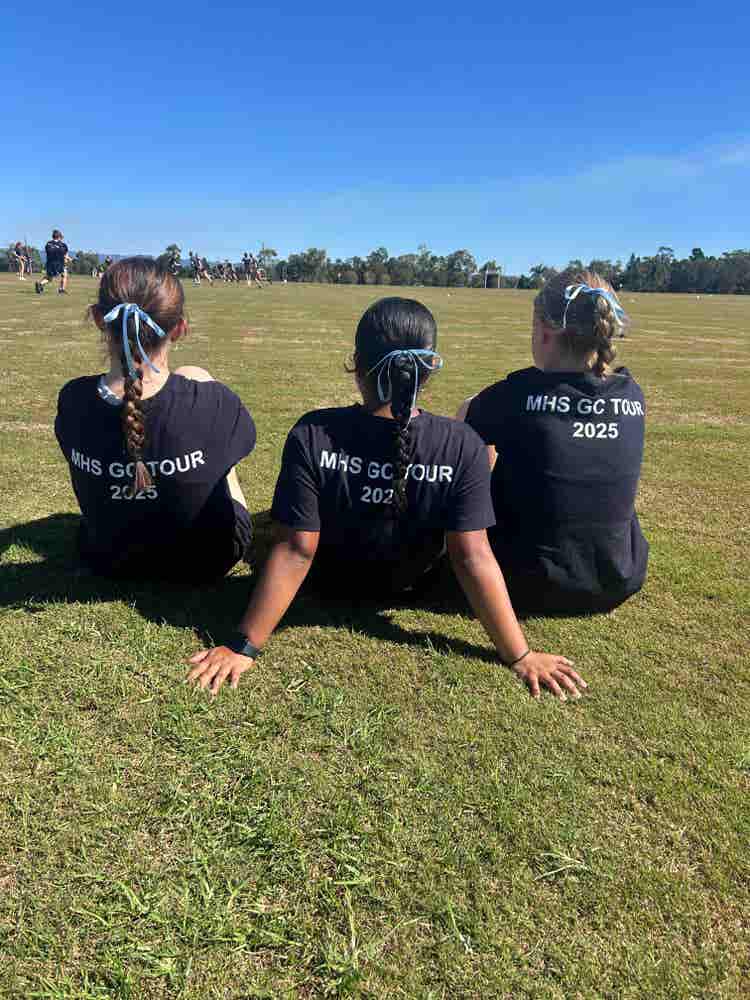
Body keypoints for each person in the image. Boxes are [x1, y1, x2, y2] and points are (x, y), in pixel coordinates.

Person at [186, 297, 585, 700]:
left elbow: (297, 550)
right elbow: (471, 555)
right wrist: (520, 654)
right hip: (411, 587)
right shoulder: (463, 445)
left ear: (356, 363)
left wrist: (244, 645)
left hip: (326, 582)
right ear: (429, 367)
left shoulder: (313, 433)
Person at [459, 269, 648, 616]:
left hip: (524, 582)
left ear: (545, 333)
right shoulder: (632, 393)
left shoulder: (516, 395)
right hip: (617, 579)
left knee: (473, 420)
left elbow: (465, 425)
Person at [55, 256, 256, 581]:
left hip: (108, 558)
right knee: (200, 386)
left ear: (98, 319)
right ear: (179, 328)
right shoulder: (213, 401)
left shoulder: (73, 399)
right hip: (207, 558)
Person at [36, 229, 69, 294]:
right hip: (59, 264)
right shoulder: (62, 245)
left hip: (49, 264)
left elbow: (48, 252)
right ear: (59, 237)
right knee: (63, 275)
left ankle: (40, 284)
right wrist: (67, 259)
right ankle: (61, 289)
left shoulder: (48, 244)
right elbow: (64, 255)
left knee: (49, 277)